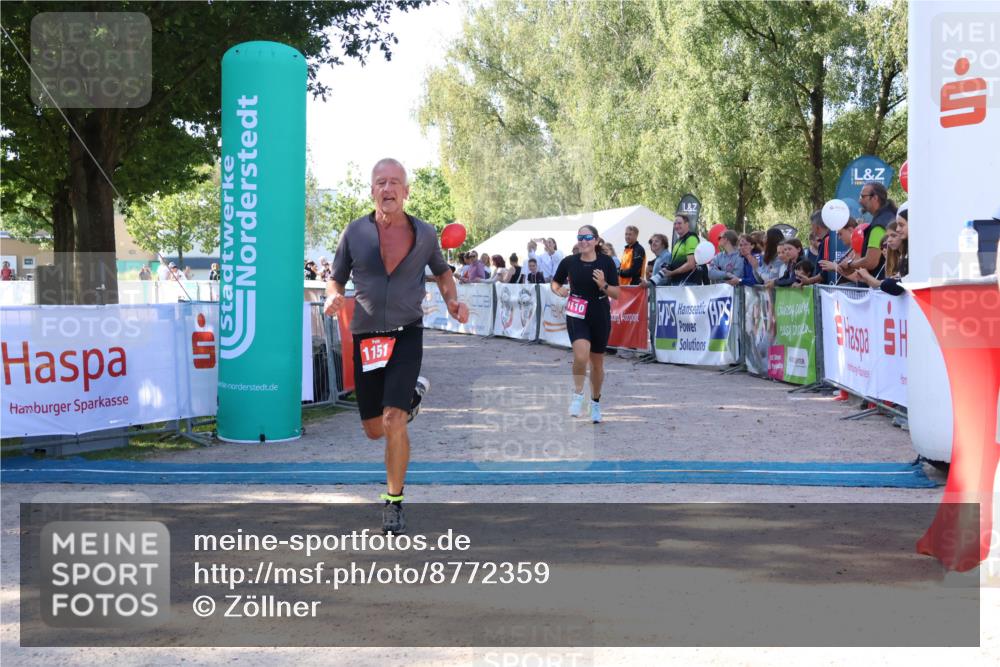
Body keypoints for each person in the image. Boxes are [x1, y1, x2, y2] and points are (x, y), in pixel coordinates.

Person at [325, 158, 468, 534]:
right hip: (368, 336)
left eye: (395, 183)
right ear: (372, 190)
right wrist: (333, 297)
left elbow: (442, 273)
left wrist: (452, 301)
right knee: (375, 429)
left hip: (407, 333)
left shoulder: (425, 234)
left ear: (406, 191)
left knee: (393, 420)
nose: (387, 189)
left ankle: (393, 501)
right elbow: (335, 280)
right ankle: (412, 398)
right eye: (380, 182)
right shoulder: (354, 232)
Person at [550, 224, 620, 423]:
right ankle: (578, 395)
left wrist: (603, 285)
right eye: (580, 237)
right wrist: (558, 290)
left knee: (597, 363)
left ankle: (595, 403)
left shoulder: (606, 262)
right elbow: (555, 283)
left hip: (599, 312)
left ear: (596, 240)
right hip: (576, 311)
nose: (583, 241)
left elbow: (616, 293)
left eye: (588, 237)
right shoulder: (569, 262)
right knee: (581, 356)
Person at [842, 182, 896, 276]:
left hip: (879, 286)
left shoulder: (879, 225)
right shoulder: (891, 216)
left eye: (863, 196)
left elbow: (871, 262)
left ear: (875, 198)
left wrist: (850, 264)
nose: (859, 201)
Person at [856, 211, 909, 296]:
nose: (888, 240)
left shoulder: (909, 258)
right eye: (888, 236)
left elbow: (895, 286)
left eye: (893, 235)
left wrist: (871, 279)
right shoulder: (899, 259)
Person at [657, 214, 699, 285]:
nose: (676, 226)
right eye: (675, 224)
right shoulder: (678, 241)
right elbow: (677, 262)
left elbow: (691, 264)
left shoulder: (691, 238)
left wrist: (672, 272)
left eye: (679, 223)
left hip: (687, 283)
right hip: (677, 282)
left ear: (687, 224)